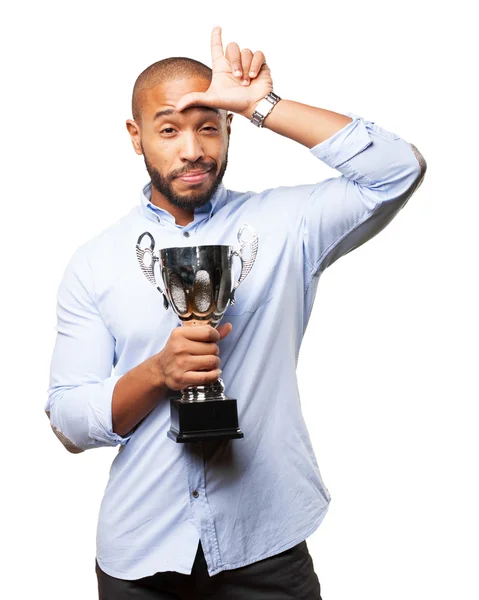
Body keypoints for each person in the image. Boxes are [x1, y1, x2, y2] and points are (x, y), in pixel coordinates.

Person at [45, 25, 427, 600]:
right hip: (142, 554)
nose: (192, 149)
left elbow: (398, 170)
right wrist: (157, 373)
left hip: (266, 543)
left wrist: (261, 105)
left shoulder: (286, 225)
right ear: (136, 135)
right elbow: (69, 420)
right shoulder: (95, 263)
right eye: (169, 129)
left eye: (209, 126)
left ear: (229, 129)